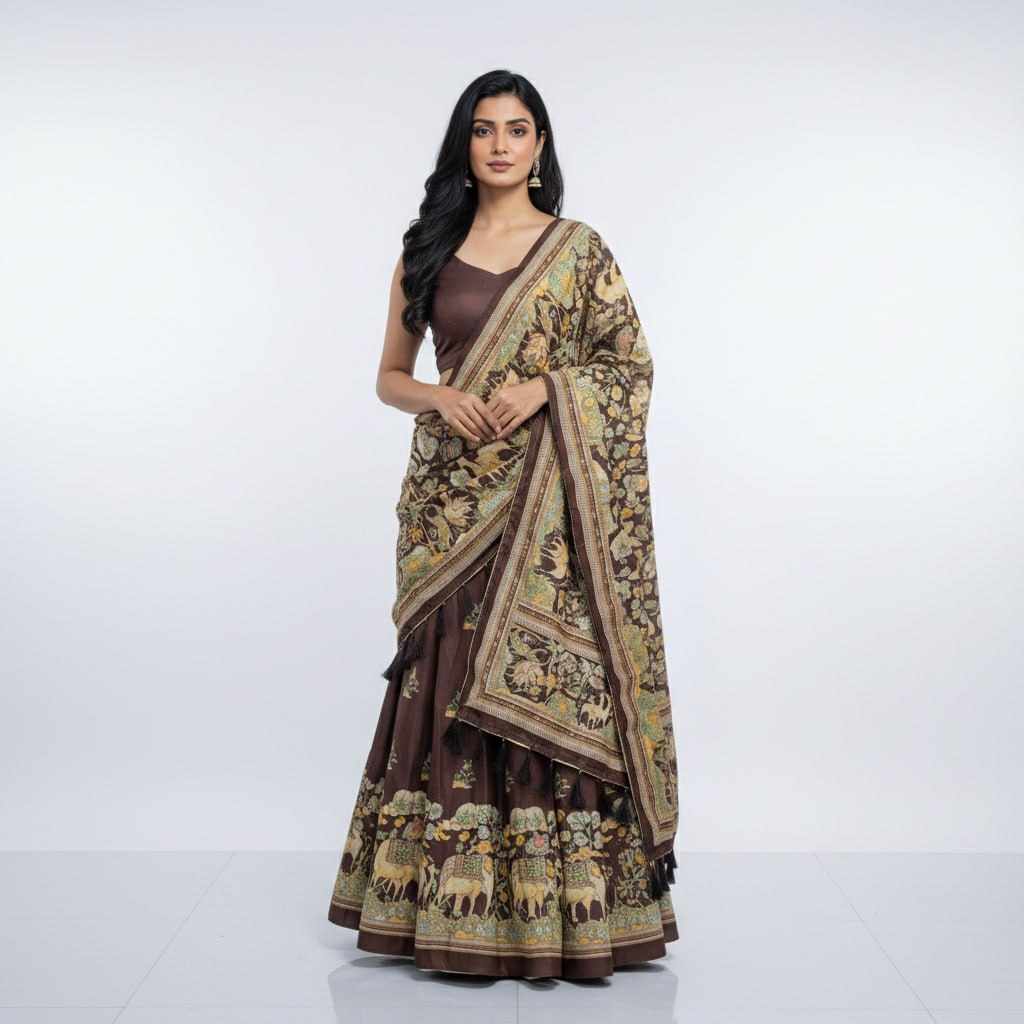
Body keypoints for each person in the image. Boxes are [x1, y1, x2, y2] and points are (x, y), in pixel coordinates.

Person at [328, 68, 680, 980]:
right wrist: (440, 398)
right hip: (451, 505)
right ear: (464, 143)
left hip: (551, 510)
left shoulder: (579, 250)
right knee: (446, 675)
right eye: (483, 129)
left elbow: (629, 369)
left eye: (516, 129)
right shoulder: (427, 251)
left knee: (549, 678)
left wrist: (547, 388)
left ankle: (566, 917)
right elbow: (389, 378)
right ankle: (435, 910)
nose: (499, 145)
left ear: (539, 145)